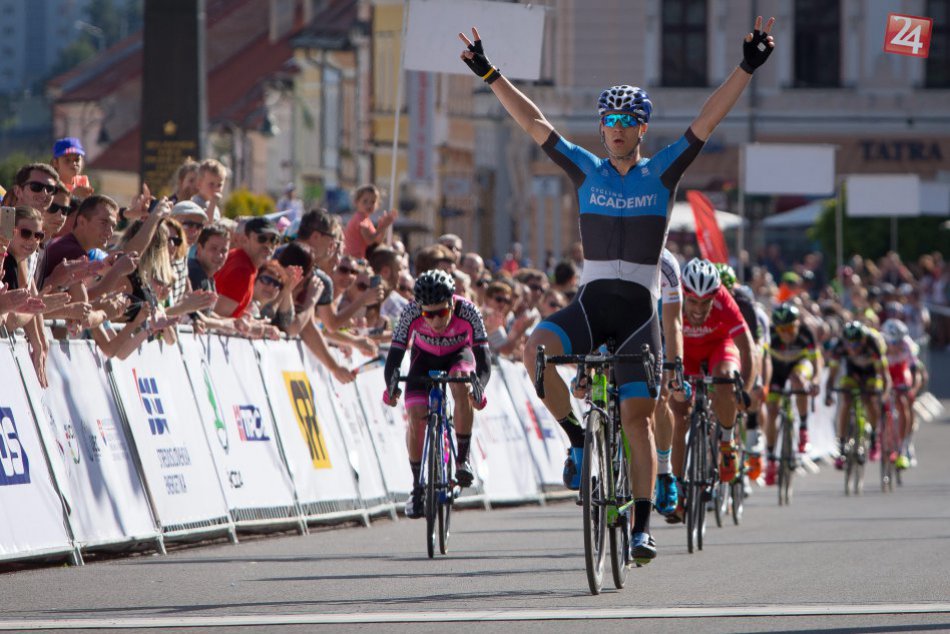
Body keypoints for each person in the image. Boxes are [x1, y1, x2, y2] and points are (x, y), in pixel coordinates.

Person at [461, 17, 775, 561]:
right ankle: (578, 438)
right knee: (538, 350)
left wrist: (746, 67)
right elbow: (534, 121)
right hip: (590, 305)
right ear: (602, 129)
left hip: (638, 316)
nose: (617, 129)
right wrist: (490, 72)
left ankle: (641, 527)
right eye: (610, 121)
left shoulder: (662, 174)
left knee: (636, 418)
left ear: (641, 129)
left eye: (627, 122)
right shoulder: (585, 170)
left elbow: (707, 119)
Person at [382, 270, 491, 518]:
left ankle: (462, 461)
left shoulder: (469, 311)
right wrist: (391, 386)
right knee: (415, 416)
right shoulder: (410, 312)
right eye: (428, 314)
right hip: (423, 359)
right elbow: (395, 356)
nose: (435, 321)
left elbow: (483, 360)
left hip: (458, 355)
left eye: (441, 312)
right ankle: (417, 487)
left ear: (452, 303)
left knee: (462, 382)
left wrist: (480, 388)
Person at [669, 259, 756, 521]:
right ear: (683, 293)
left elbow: (748, 348)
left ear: (715, 295)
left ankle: (727, 443)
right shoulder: (672, 301)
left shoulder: (725, 301)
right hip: (685, 352)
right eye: (692, 301)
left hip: (719, 348)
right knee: (678, 415)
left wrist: (745, 391)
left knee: (725, 379)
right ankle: (677, 489)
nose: (697, 309)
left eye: (705, 302)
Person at [763, 304, 822, 486]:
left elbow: (816, 360)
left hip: (799, 365)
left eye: (790, 328)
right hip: (777, 370)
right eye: (782, 329)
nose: (786, 333)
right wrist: (764, 384)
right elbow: (763, 361)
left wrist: (816, 380)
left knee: (799, 381)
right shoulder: (770, 335)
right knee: (772, 410)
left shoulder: (806, 333)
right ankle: (771, 457)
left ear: (797, 324)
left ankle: (803, 428)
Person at [824, 321, 891, 469]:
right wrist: (828, 393)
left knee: (869, 399)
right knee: (846, 400)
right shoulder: (840, 346)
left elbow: (884, 376)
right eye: (849, 345)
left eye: (856, 345)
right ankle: (841, 445)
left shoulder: (873, 344)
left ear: (864, 340)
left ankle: (874, 438)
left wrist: (884, 395)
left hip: (871, 374)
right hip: (852, 373)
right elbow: (831, 375)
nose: (853, 349)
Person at [653, 248, 684, 517]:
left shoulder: (666, 264)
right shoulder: (606, 250)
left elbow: (673, 323)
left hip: (658, 334)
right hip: (617, 327)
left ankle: (664, 470)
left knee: (660, 396)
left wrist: (673, 368)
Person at [214, 217, 279, 318]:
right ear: (245, 239)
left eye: (274, 240)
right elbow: (217, 317)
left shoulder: (238, 257)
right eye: (262, 238)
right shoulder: (242, 271)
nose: (268, 245)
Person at [881, 318, 922, 470]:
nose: (895, 347)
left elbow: (916, 372)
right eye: (892, 343)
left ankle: (904, 446)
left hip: (901, 370)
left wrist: (913, 390)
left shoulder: (908, 345)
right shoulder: (879, 344)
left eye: (898, 343)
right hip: (885, 371)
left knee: (905, 402)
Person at [343, 184, 397, 258]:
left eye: (372, 202)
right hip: (354, 259)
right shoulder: (360, 219)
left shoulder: (366, 219)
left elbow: (377, 240)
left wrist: (383, 226)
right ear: (356, 202)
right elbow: (370, 240)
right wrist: (381, 227)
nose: (369, 205)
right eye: (365, 201)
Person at [191, 158, 228, 223]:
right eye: (211, 184)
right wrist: (213, 203)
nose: (216, 189)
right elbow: (206, 225)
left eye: (219, 185)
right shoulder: (194, 204)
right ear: (199, 184)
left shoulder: (215, 207)